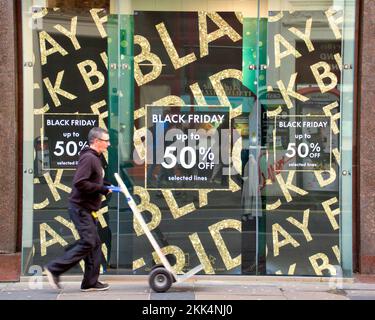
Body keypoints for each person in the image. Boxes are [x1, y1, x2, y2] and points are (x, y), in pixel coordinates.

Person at [44, 127, 112, 292]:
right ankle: (55, 268)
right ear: (96, 141)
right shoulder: (89, 158)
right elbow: (80, 182)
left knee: (94, 244)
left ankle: (90, 282)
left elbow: (93, 180)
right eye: (106, 141)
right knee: (88, 242)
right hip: (81, 208)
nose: (108, 144)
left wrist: (105, 185)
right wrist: (101, 189)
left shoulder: (96, 157)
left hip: (88, 208)